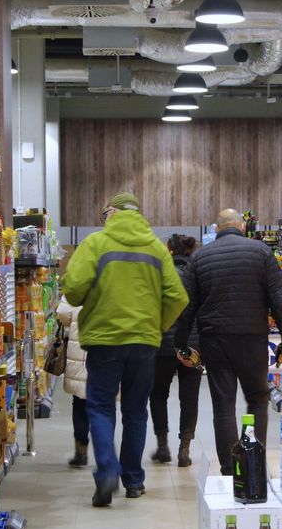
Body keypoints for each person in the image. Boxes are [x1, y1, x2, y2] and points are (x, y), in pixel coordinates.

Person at [62, 193, 189, 506]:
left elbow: (74, 292)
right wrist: (155, 325)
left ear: (113, 213)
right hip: (144, 343)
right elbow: (177, 297)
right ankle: (133, 480)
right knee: (135, 410)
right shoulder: (157, 248)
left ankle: (107, 471)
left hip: (104, 341)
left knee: (101, 406)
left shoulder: (95, 244)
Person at [173, 208, 282, 476]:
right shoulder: (261, 253)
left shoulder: (200, 258)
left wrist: (181, 345)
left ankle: (230, 467)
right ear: (242, 227)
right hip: (252, 338)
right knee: (257, 398)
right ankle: (255, 462)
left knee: (223, 404)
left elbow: (186, 307)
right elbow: (280, 300)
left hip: (214, 340)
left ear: (216, 229)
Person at [149, 234, 202, 468]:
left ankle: (162, 446)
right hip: (193, 344)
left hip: (163, 344)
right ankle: (185, 448)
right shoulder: (199, 273)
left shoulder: (160, 272)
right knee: (189, 398)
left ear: (169, 251)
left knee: (158, 395)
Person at [54, 296, 90, 467]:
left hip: (79, 349)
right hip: (105, 348)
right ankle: (105, 453)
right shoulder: (112, 273)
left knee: (80, 402)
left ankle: (81, 451)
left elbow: (62, 313)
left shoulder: (78, 276)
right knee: (105, 405)